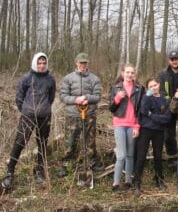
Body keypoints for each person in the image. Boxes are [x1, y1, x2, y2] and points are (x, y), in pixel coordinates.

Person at [1, 53, 56, 189]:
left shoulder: (50, 79)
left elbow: (51, 97)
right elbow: (19, 97)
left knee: (42, 144)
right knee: (19, 142)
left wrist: (44, 109)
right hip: (28, 116)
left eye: (44, 62)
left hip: (45, 117)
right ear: (34, 63)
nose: (42, 65)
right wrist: (26, 110)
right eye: (39, 63)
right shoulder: (26, 78)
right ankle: (9, 172)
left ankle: (39, 171)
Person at [58, 53, 103, 177]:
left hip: (89, 114)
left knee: (90, 141)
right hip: (73, 114)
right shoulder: (68, 78)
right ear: (76, 63)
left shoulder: (94, 79)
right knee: (70, 141)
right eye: (81, 63)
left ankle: (91, 163)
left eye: (85, 63)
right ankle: (66, 164)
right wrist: (75, 100)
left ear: (87, 64)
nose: (83, 65)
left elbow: (98, 96)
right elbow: (63, 96)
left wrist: (87, 98)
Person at [134, 77, 172, 197]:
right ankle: (137, 183)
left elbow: (166, 118)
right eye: (150, 86)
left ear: (159, 85)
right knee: (141, 156)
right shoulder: (146, 98)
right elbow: (144, 111)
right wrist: (146, 95)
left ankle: (159, 180)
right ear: (147, 89)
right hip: (145, 130)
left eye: (155, 85)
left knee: (158, 156)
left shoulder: (165, 100)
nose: (154, 88)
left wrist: (152, 116)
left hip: (159, 131)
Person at [108, 63, 144, 192]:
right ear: (122, 73)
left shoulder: (139, 89)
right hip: (119, 124)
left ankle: (128, 180)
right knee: (121, 155)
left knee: (130, 155)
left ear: (134, 75)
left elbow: (141, 110)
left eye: (132, 73)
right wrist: (117, 98)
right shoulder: (115, 88)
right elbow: (111, 108)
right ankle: (116, 183)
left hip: (132, 126)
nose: (129, 75)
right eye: (127, 72)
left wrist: (136, 126)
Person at [157, 50, 178, 165]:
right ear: (169, 60)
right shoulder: (162, 74)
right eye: (172, 59)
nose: (174, 61)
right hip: (168, 108)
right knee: (168, 135)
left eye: (176, 59)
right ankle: (172, 157)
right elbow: (160, 91)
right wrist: (171, 102)